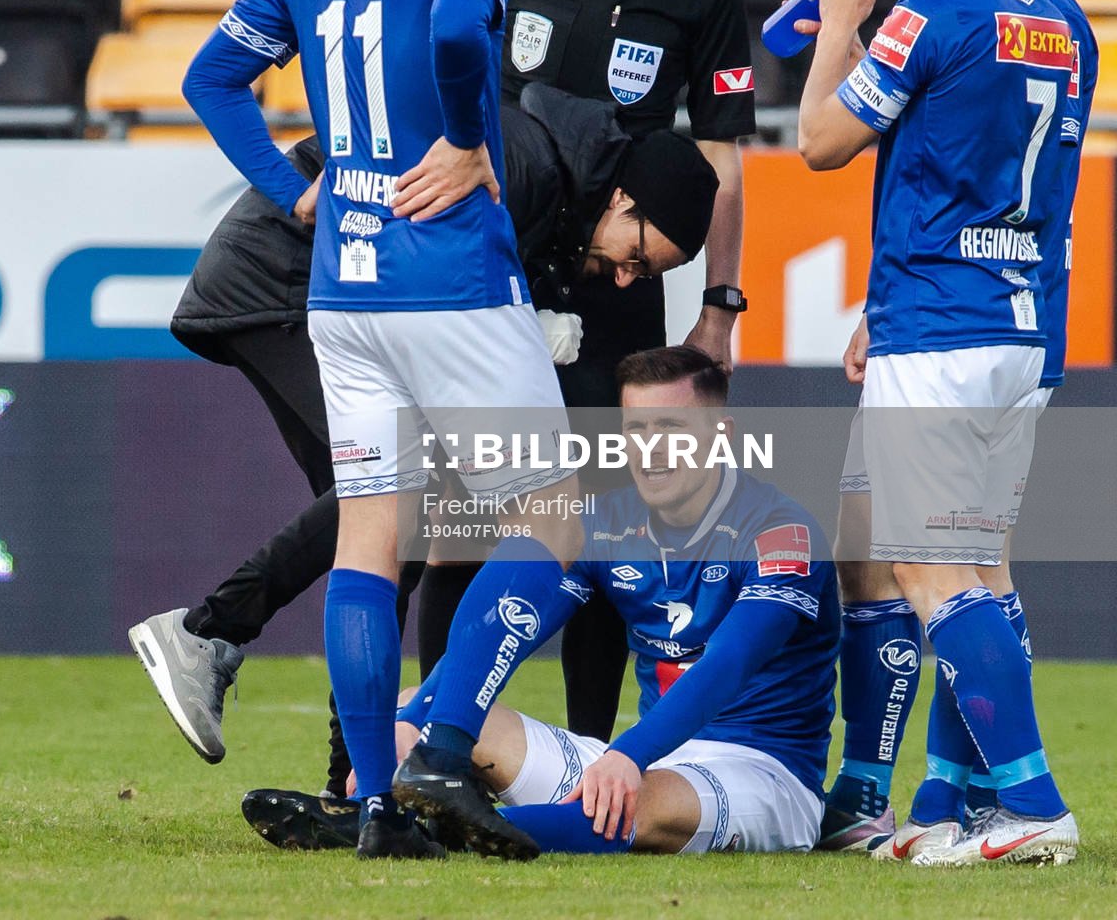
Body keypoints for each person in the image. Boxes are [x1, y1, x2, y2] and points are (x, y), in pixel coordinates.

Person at [182, 0, 583, 859]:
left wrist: (293, 191)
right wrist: (464, 137)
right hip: (450, 281)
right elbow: (456, 31)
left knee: (371, 534)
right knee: (557, 522)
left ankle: (372, 803)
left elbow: (210, 78)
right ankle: (443, 747)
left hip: (343, 288)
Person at [130, 84, 719, 794]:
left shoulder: (552, 180)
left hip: (316, 280)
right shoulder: (527, 170)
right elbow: (425, 277)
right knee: (393, 507)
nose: (625, 280)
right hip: (291, 278)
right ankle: (211, 634)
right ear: (623, 199)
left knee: (387, 533)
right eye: (638, 257)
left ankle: (352, 783)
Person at [794, 0, 1087, 867]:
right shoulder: (1066, 16)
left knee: (925, 568)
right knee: (984, 571)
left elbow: (822, 139)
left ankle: (1034, 804)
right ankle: (953, 802)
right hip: (1021, 328)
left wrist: (839, 24)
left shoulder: (929, 16)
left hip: (944, 328)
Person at [244, 348, 840, 859]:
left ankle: (411, 832)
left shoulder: (782, 531)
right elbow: (515, 626)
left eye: (672, 428)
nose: (652, 450)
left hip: (761, 771)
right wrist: (412, 724)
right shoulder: (605, 520)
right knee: (419, 707)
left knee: (635, 804)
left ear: (722, 435)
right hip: (647, 755)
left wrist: (629, 755)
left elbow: (728, 664)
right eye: (637, 430)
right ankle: (379, 814)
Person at [496, 0, 757, 746]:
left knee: (613, 532)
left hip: (620, 283)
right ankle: (393, 758)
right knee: (445, 526)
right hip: (497, 275)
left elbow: (724, 161)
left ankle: (591, 757)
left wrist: (718, 307)